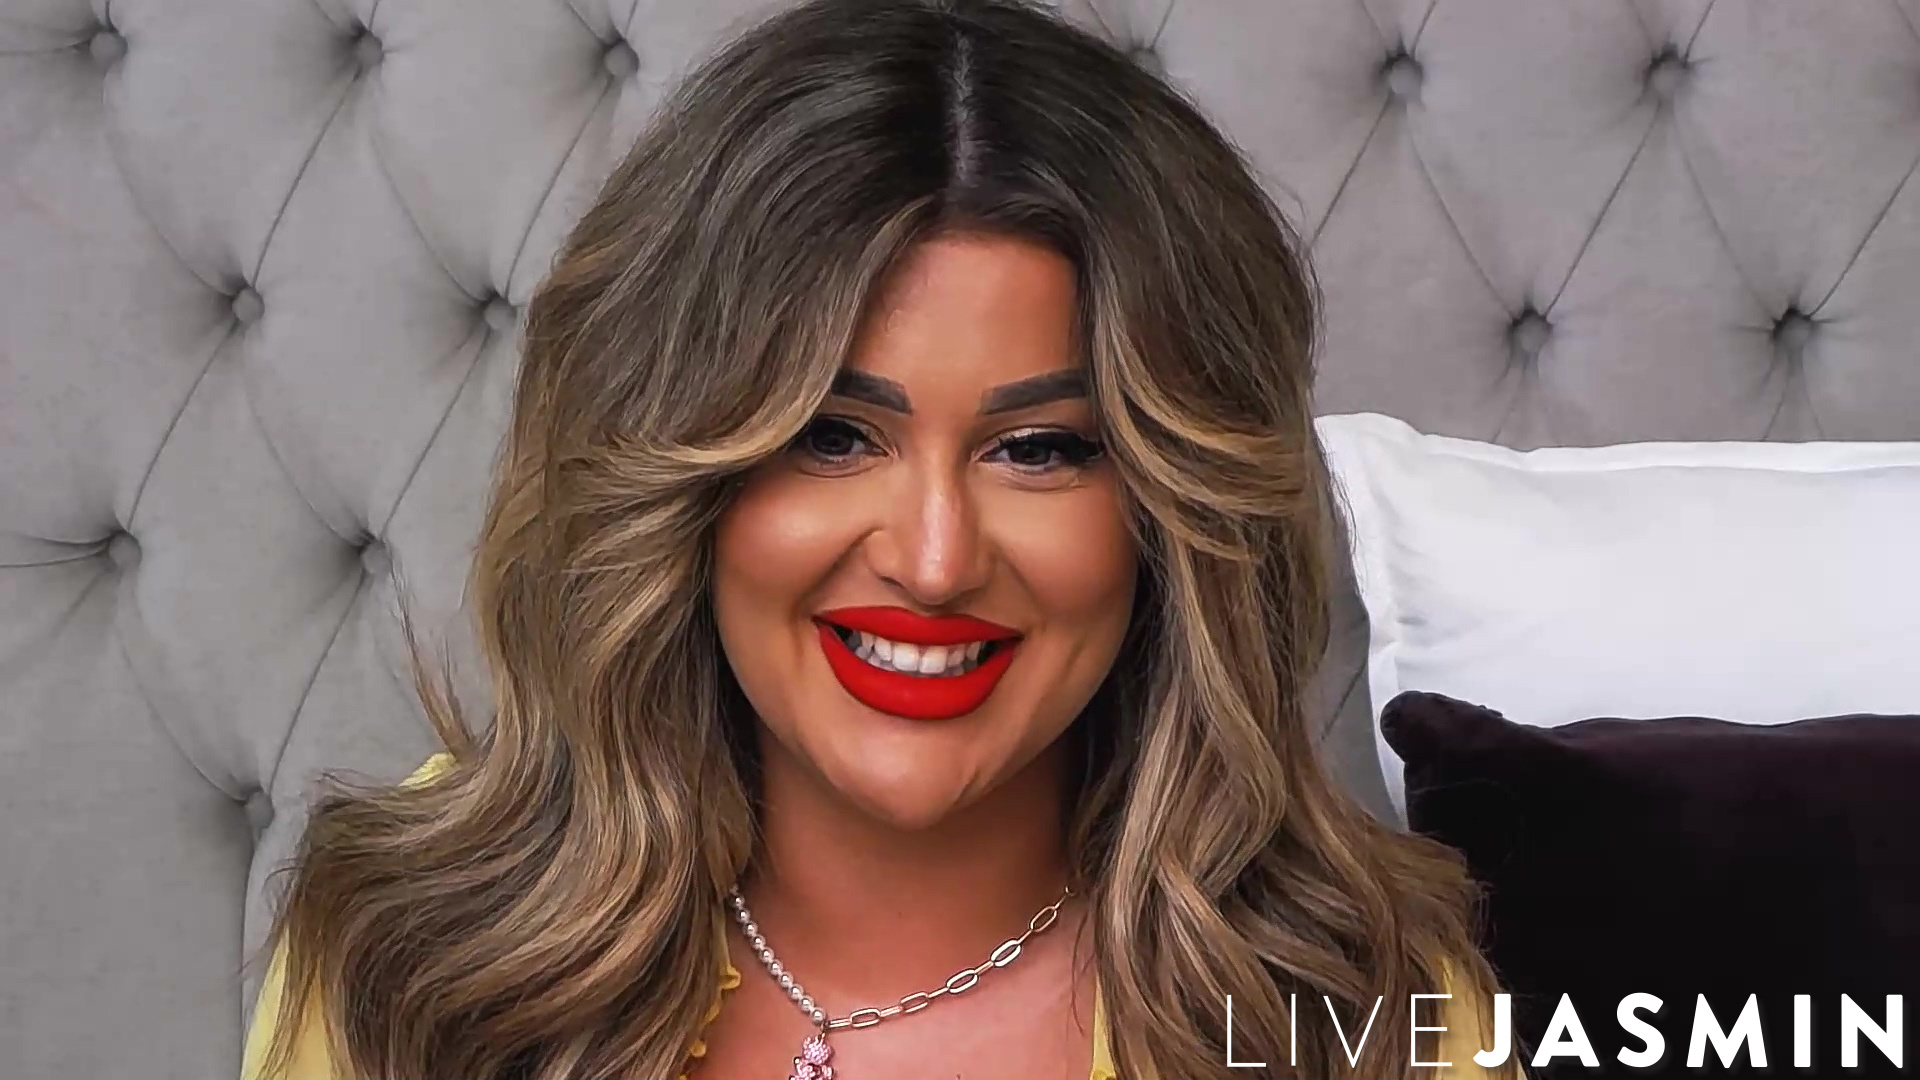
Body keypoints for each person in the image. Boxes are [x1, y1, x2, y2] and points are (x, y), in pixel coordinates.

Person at [244, 1, 1519, 1077]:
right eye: (833, 435)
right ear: (673, 479)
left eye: (1041, 448)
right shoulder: (422, 951)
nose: (934, 559)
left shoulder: (1369, 1015)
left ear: (1170, 514)